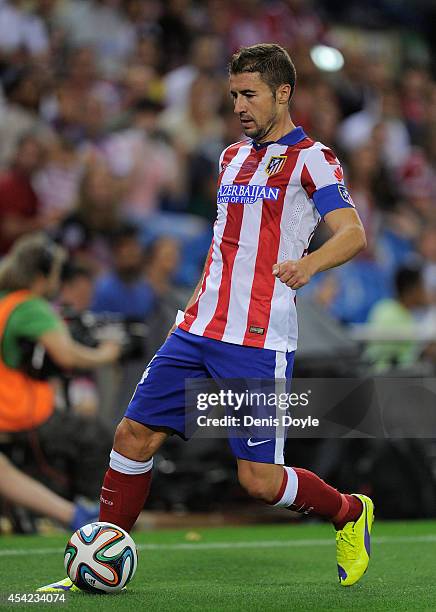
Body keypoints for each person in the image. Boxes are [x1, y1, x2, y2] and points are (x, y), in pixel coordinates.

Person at [40, 43, 372, 593]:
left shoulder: (314, 158)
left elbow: (354, 232)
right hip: (196, 327)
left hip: (257, 340)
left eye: (250, 94)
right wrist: (190, 306)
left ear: (282, 93)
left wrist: (309, 264)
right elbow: (223, 248)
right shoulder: (230, 157)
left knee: (259, 482)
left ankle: (348, 512)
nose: (239, 106)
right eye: (233, 95)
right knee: (132, 435)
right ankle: (95, 567)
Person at [0, 234, 121, 505]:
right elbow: (67, 356)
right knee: (96, 436)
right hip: (18, 412)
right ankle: (96, 516)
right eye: (56, 272)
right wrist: (106, 354)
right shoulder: (30, 306)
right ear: (42, 275)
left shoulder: (4, 300)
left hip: (7, 409)